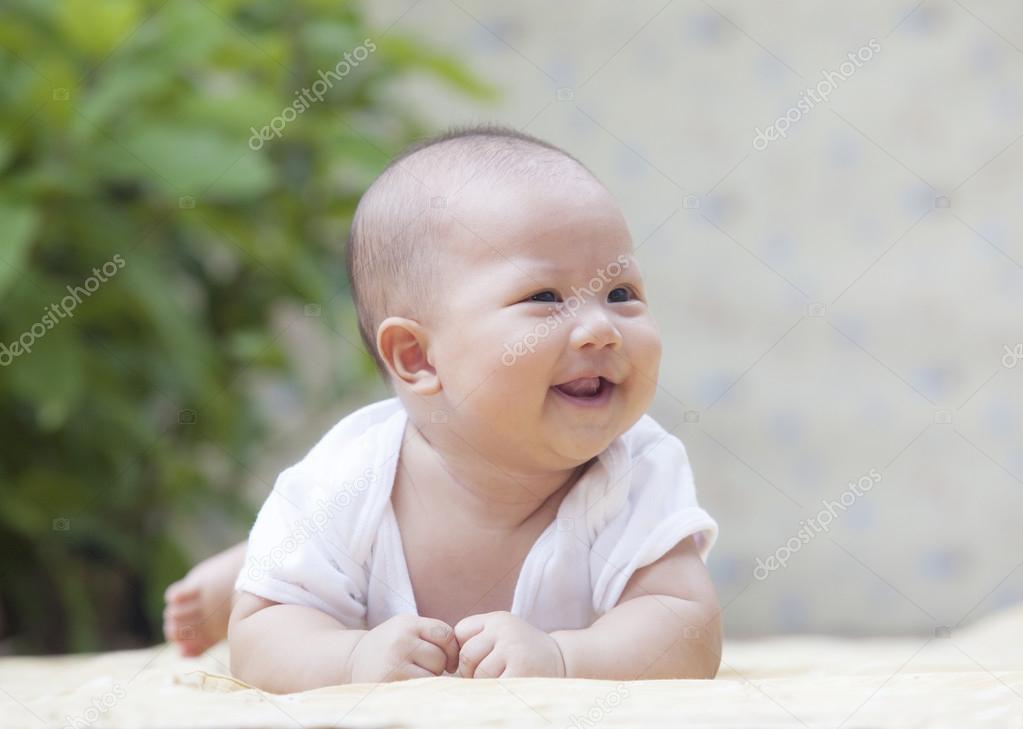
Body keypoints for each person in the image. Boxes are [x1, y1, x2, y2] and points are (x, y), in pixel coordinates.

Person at [165, 126, 721, 691]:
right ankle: (253, 565)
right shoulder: (346, 479)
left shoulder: (636, 468)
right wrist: (352, 657)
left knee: (319, 552)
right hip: (335, 535)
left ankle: (257, 561)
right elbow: (262, 638)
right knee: (293, 569)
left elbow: (685, 627)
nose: (601, 329)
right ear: (418, 357)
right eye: (545, 298)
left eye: (620, 293)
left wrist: (564, 657)